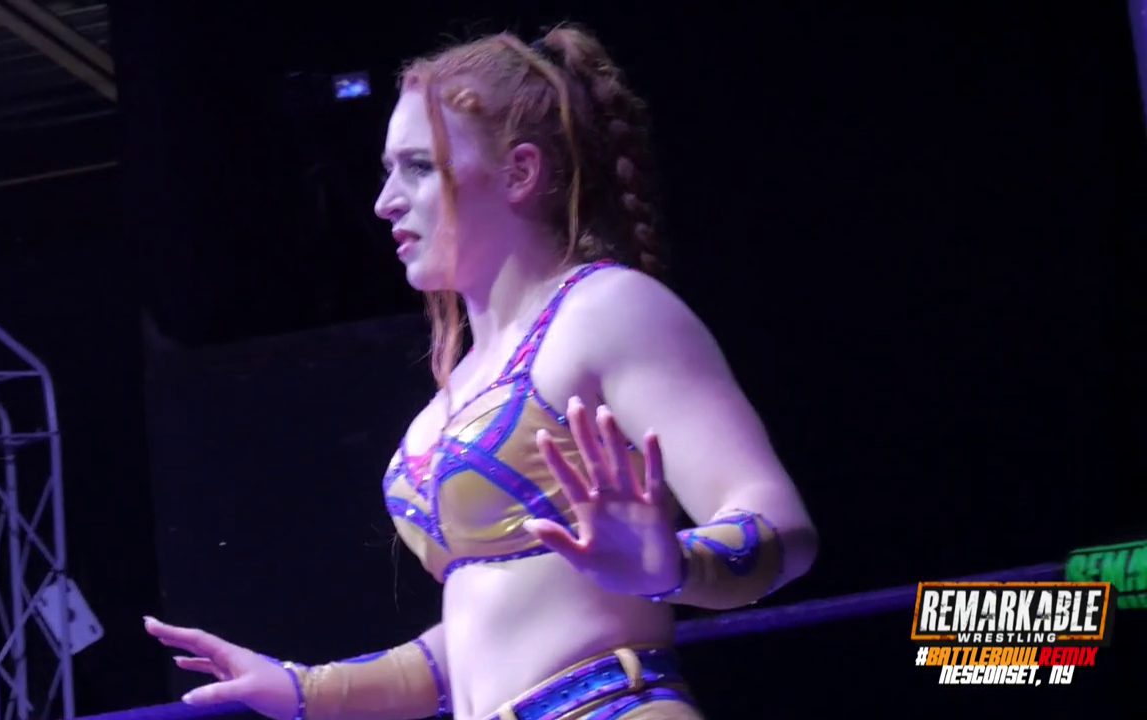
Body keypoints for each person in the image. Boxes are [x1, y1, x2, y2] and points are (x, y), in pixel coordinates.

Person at [145, 24, 818, 720]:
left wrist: (675, 567)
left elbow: (780, 528)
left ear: (520, 172)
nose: (385, 201)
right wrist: (304, 689)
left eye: (418, 167)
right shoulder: (463, 384)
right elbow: (477, 641)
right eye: (388, 170)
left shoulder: (605, 310)